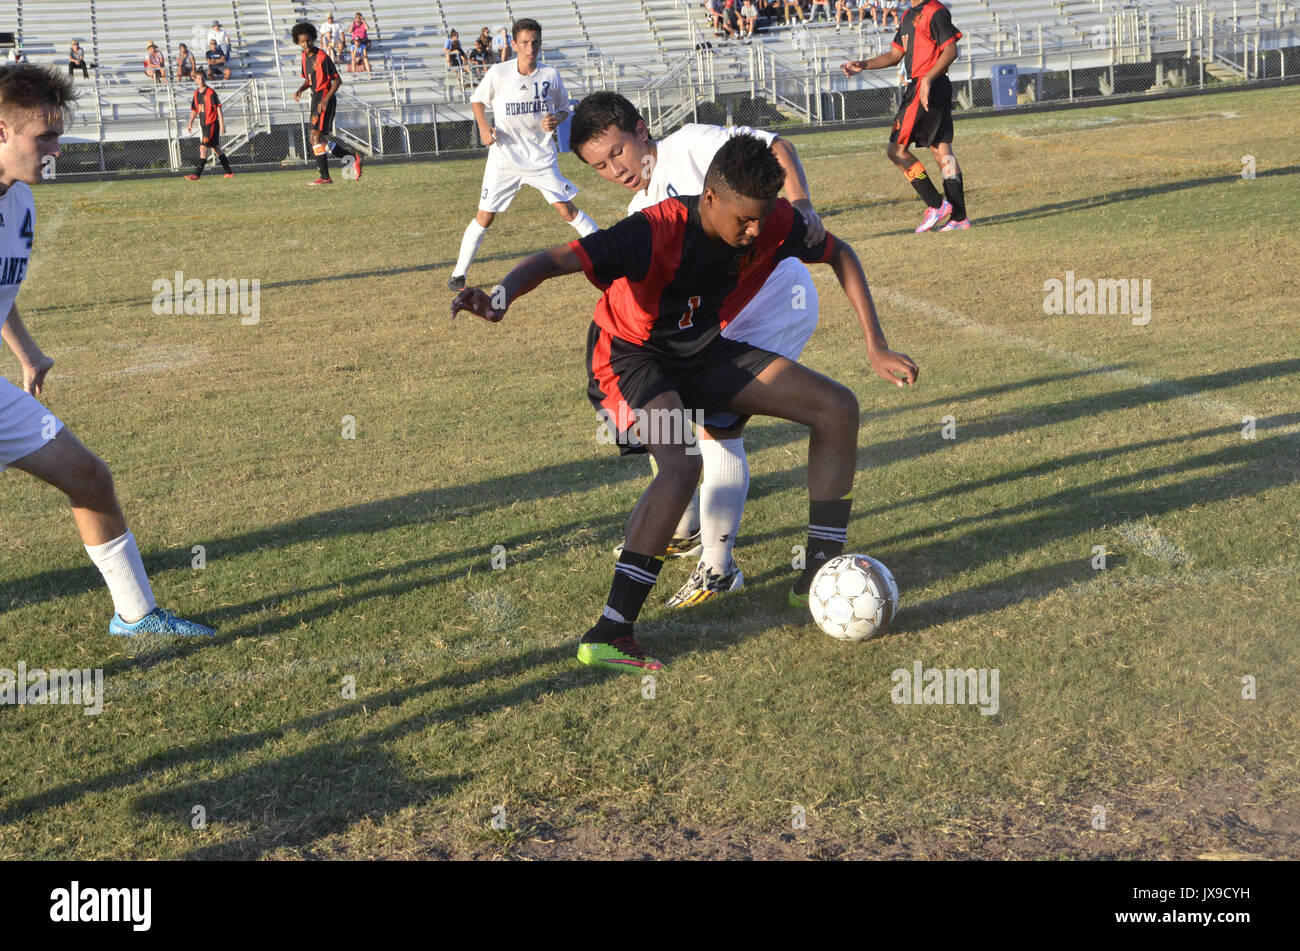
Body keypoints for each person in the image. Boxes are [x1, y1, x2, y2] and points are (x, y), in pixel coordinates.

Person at [451, 135, 917, 672]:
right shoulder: (656, 229)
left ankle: (817, 572)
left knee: (837, 407)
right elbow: (556, 259)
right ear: (710, 198)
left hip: (702, 350)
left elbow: (839, 254)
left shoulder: (770, 221)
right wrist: (500, 299)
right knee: (681, 464)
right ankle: (611, 631)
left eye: (763, 220)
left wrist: (875, 344)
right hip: (630, 357)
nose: (755, 232)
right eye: (744, 221)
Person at [570, 91, 830, 606]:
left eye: (618, 152)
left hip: (772, 304)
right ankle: (685, 525)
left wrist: (801, 206)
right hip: (717, 320)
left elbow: (778, 145)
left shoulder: (688, 146)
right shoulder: (642, 208)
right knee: (666, 416)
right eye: (599, 165)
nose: (615, 168)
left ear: (642, 130)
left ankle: (718, 568)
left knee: (717, 432)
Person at [0, 64, 215, 638]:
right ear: (0, 132)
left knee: (90, 479)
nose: (56, 149)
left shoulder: (20, 202)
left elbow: (1, 291)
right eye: (43, 137)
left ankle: (137, 617)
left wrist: (28, 354)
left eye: (58, 136)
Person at [446, 18, 598, 291]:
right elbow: (477, 100)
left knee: (565, 209)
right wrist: (483, 126)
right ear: (514, 44)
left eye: (535, 42)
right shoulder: (499, 72)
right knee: (485, 215)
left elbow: (564, 108)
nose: (531, 48)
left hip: (540, 157)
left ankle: (605, 248)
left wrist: (556, 119)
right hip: (504, 157)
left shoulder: (550, 75)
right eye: (525, 42)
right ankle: (459, 273)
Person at [841, 0, 969, 231]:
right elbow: (894, 54)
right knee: (942, 151)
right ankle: (960, 218)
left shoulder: (934, 10)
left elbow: (951, 50)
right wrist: (863, 64)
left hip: (926, 84)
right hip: (928, 84)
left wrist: (928, 79)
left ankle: (936, 204)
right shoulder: (908, 15)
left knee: (896, 150)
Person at [292, 22, 361, 185]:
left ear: (313, 39)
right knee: (316, 139)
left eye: (308, 41)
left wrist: (325, 100)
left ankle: (325, 177)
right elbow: (309, 80)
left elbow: (337, 80)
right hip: (316, 98)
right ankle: (352, 159)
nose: (306, 44)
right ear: (298, 42)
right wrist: (300, 89)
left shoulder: (322, 57)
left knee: (315, 137)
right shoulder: (304, 56)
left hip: (325, 98)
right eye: (302, 42)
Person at [183, 70, 233, 180]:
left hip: (212, 124)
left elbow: (218, 107)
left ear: (205, 79)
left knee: (203, 148)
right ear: (195, 80)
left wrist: (222, 124)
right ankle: (229, 172)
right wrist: (190, 122)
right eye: (199, 79)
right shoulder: (196, 94)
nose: (201, 80)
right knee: (216, 149)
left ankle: (197, 174)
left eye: (203, 78)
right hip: (204, 125)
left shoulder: (210, 92)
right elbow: (195, 110)